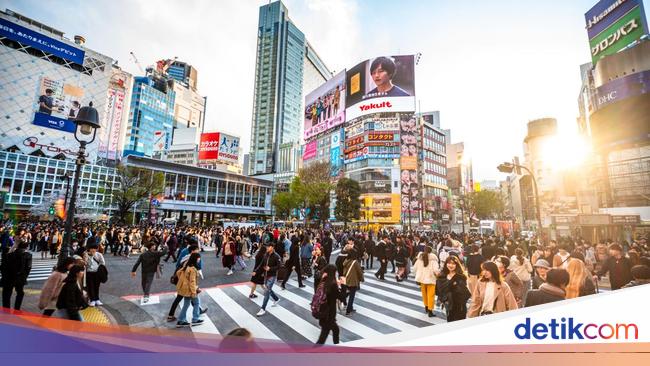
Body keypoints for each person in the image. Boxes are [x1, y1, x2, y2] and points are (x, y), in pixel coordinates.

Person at [436, 255, 471, 322]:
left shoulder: (461, 276)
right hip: (449, 305)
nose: (451, 265)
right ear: (446, 264)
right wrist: (453, 283)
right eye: (449, 263)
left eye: (453, 263)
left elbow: (465, 292)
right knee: (450, 322)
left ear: (457, 265)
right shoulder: (442, 276)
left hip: (460, 305)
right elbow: (440, 291)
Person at [315, 264, 342, 345]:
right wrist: (343, 284)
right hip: (328, 315)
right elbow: (342, 297)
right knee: (321, 340)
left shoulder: (323, 281)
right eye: (335, 272)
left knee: (335, 330)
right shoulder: (332, 285)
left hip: (323, 312)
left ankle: (337, 348)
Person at [1, 240, 32, 310]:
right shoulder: (28, 255)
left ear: (17, 246)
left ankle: (6, 309)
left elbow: (4, 264)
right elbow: (28, 268)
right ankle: (17, 308)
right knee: (20, 293)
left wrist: (12, 248)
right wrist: (24, 277)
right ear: (26, 247)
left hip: (9, 278)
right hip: (21, 278)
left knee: (7, 294)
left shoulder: (10, 254)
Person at [175, 252, 204, 327]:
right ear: (195, 259)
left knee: (186, 304)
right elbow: (192, 282)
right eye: (198, 258)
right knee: (196, 303)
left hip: (185, 289)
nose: (199, 259)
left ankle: (181, 320)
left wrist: (184, 281)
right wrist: (194, 291)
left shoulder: (186, 266)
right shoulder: (193, 269)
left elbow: (178, 272)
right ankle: (195, 319)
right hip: (190, 290)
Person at [256, 243, 282, 317]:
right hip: (266, 275)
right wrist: (256, 270)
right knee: (269, 289)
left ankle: (263, 309)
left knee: (266, 291)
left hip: (272, 276)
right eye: (267, 246)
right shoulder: (266, 255)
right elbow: (261, 264)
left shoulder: (276, 256)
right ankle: (276, 299)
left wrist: (270, 268)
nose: (267, 248)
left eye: (269, 246)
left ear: (272, 247)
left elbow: (279, 266)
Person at [413, 246, 439, 317]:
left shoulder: (419, 259)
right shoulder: (433, 260)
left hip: (422, 279)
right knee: (431, 295)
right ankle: (430, 311)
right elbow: (436, 270)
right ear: (431, 252)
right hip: (430, 279)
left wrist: (417, 275)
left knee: (424, 294)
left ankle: (426, 307)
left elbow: (414, 268)